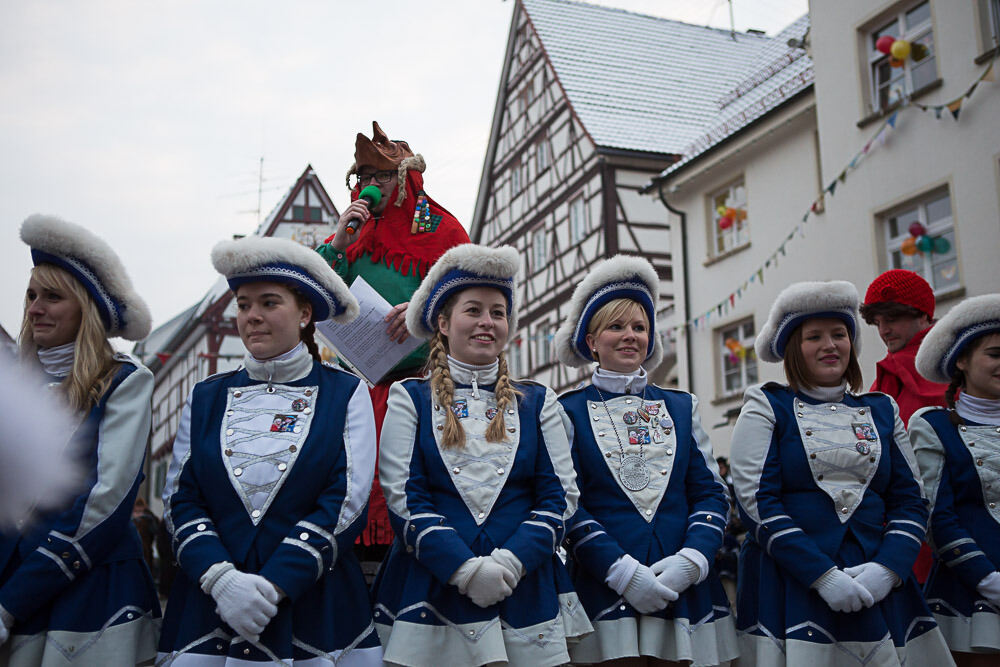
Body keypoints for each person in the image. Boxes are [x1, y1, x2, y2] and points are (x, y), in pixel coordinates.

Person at [157, 236, 382, 665]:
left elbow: (346, 502)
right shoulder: (206, 395)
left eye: (269, 303)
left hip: (315, 603)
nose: (252, 317)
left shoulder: (346, 391)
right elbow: (181, 499)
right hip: (211, 603)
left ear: (304, 314)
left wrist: (275, 584)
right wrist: (222, 580)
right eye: (243, 305)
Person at [373, 244, 591, 666]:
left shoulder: (539, 401)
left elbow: (560, 497)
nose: (487, 323)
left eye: (498, 312)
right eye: (473, 310)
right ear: (442, 322)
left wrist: (509, 563)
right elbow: (404, 495)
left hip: (523, 583)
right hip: (432, 582)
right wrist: (462, 569)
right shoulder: (409, 398)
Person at [730, 280, 952, 666]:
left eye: (839, 334)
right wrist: (821, 575)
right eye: (813, 337)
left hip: (876, 577)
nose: (830, 345)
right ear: (792, 350)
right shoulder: (766, 404)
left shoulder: (882, 409)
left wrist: (888, 569)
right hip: (791, 579)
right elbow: (755, 501)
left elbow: (911, 500)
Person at [553, 255, 738, 666]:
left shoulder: (681, 404)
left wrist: (692, 561)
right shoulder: (566, 409)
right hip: (605, 586)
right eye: (616, 327)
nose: (630, 336)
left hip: (684, 588)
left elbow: (710, 493)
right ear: (590, 341)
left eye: (639, 327)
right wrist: (621, 571)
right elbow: (567, 502)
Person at [0, 214, 160, 665]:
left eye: (53, 297)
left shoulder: (125, 381)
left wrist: (12, 601)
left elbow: (105, 499)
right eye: (31, 295)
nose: (34, 309)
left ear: (86, 308)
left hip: (87, 590)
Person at [315, 121, 470, 565]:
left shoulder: (442, 228)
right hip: (358, 387)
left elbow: (473, 295)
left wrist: (423, 312)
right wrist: (340, 241)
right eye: (362, 178)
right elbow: (313, 294)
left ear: (405, 179)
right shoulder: (352, 233)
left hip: (423, 386)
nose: (370, 187)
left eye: (380, 177)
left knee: (416, 485)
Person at [910, 294, 1000, 665]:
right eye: (995, 354)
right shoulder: (932, 425)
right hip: (972, 592)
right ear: (961, 360)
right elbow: (937, 518)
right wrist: (988, 580)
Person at [860, 269, 948, 582]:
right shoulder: (884, 376)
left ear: (923, 315)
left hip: (953, 522)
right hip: (901, 528)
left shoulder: (954, 367)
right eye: (877, 322)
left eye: (893, 318)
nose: (884, 330)